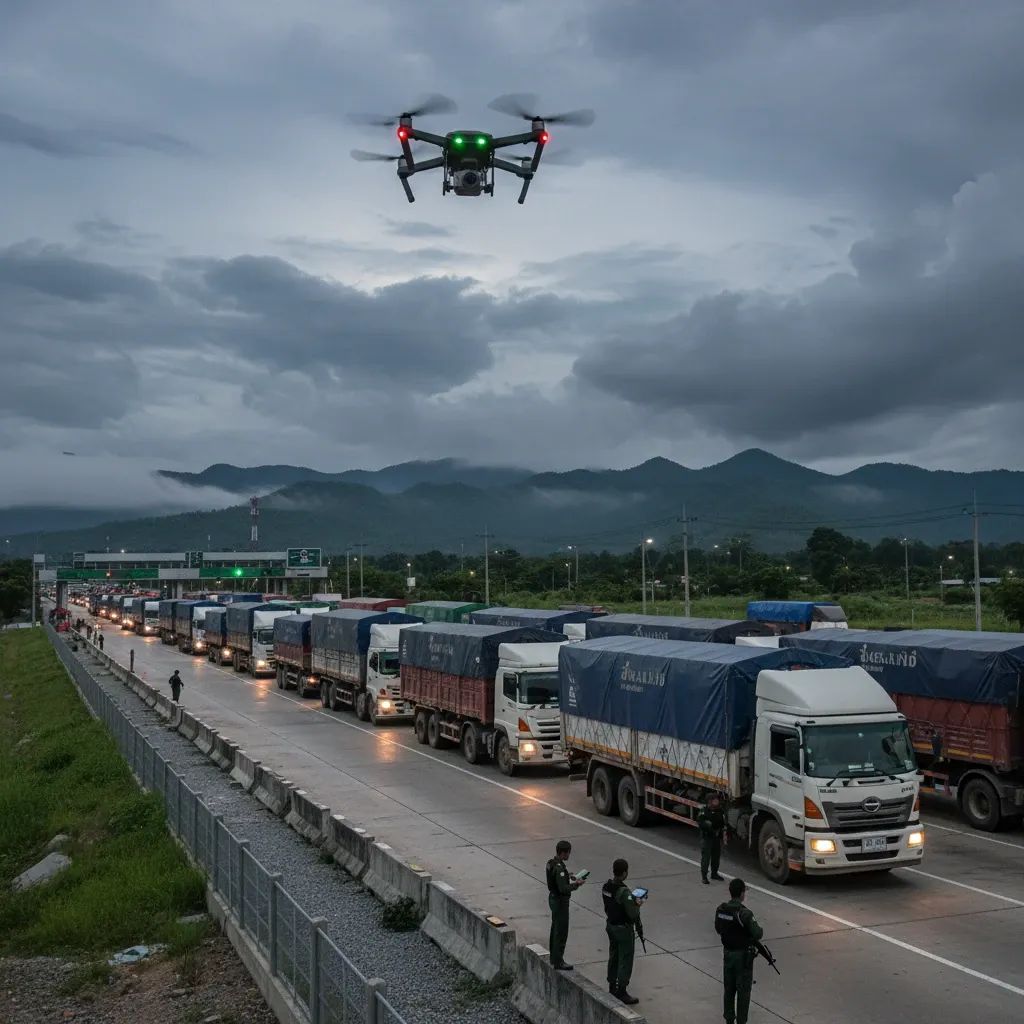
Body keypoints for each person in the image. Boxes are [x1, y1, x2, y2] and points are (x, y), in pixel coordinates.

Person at [715, 877, 764, 1024]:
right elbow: (758, 933)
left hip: (728, 955)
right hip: (742, 958)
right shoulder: (745, 913)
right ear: (742, 893)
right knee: (743, 993)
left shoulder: (721, 910)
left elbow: (718, 929)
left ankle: (729, 1019)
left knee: (729, 990)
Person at [601, 858, 644, 1005]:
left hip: (611, 926)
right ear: (624, 873)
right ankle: (622, 991)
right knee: (625, 959)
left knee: (614, 956)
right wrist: (638, 904)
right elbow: (632, 913)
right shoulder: (624, 892)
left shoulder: (606, 887)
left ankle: (612, 985)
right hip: (623, 929)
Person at [545, 839, 583, 970]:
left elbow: (556, 878)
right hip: (560, 902)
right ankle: (558, 961)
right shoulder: (559, 868)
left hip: (553, 899)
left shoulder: (551, 863)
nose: (569, 855)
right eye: (568, 853)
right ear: (563, 853)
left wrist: (568, 875)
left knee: (555, 929)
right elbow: (563, 889)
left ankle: (554, 957)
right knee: (561, 931)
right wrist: (576, 884)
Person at [698, 793, 727, 883]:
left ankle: (714, 874)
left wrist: (724, 834)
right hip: (707, 837)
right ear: (709, 801)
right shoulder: (704, 811)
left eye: (717, 799)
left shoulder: (720, 811)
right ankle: (704, 876)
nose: (717, 801)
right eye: (715, 799)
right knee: (706, 858)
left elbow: (723, 823)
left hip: (716, 837)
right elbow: (701, 823)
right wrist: (708, 825)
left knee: (716, 857)